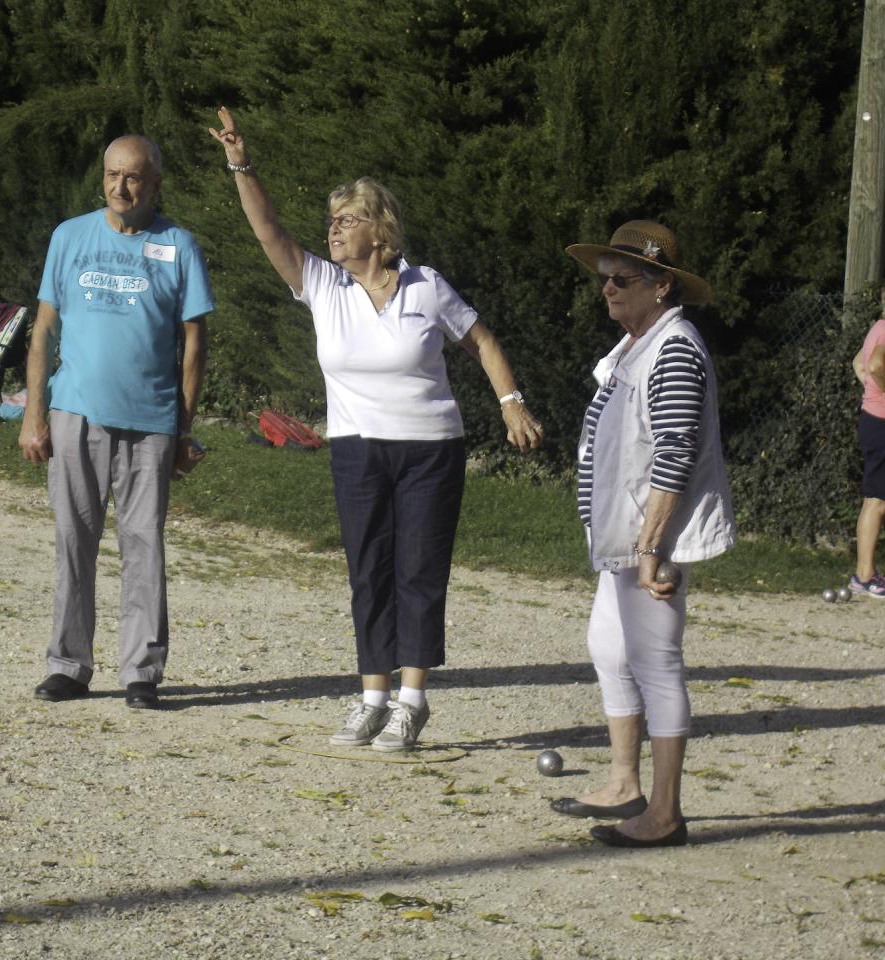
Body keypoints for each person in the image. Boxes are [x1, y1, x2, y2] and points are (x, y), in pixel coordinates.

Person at [208, 107, 543, 751]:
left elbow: (482, 341)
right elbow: (269, 231)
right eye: (331, 219)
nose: (333, 228)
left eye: (348, 217)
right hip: (357, 449)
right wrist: (240, 164)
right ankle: (371, 698)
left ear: (380, 229)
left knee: (419, 571)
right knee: (370, 570)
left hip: (430, 449)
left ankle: (411, 702)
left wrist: (510, 401)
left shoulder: (427, 287)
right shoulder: (322, 285)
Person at [550, 220, 736, 848]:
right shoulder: (639, 344)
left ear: (660, 286)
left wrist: (652, 548)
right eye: (604, 279)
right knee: (609, 645)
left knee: (656, 664)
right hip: (626, 538)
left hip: (649, 542)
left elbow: (675, 451)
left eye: (622, 279)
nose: (607, 289)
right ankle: (625, 783)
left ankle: (665, 813)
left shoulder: (674, 346)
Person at [18, 134, 213, 710]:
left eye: (132, 178)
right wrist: (34, 414)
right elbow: (44, 330)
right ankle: (68, 666)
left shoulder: (178, 245)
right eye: (111, 175)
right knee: (72, 542)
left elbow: (195, 345)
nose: (119, 188)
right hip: (74, 412)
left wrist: (182, 428)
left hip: (151, 420)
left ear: (155, 183)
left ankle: (141, 673)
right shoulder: (69, 236)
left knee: (143, 546)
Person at [850, 296, 885, 598]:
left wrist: (872, 393)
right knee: (877, 501)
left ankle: (865, 575)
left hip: (873, 420)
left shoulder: (879, 327)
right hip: (881, 424)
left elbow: (859, 364)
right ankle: (864, 577)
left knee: (875, 499)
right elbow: (873, 365)